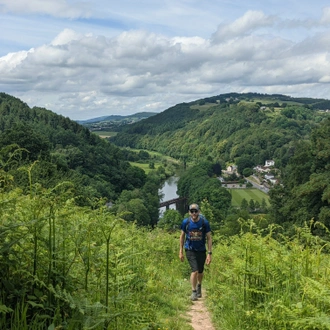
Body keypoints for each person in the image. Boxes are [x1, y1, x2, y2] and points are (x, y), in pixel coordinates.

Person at [179, 203, 212, 301]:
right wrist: (180, 251)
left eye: (195, 211)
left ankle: (199, 286)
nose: (194, 213)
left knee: (201, 271)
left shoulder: (204, 223)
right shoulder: (186, 222)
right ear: (189, 212)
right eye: (192, 211)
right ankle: (193, 292)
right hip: (190, 249)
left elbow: (209, 238)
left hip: (201, 250)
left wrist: (209, 254)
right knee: (195, 270)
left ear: (199, 212)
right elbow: (182, 236)